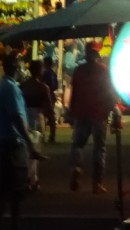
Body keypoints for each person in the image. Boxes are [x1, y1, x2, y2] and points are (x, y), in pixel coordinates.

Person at [0, 51, 43, 230]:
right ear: (16, 67)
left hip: (4, 142)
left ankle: (8, 228)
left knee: (4, 188)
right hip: (12, 144)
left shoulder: (3, 86)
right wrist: (30, 143)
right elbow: (17, 117)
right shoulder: (11, 88)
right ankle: (14, 227)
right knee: (17, 188)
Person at [68, 42, 117, 194]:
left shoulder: (78, 71)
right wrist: (112, 110)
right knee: (99, 149)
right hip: (99, 114)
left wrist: (71, 111)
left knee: (77, 145)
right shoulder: (104, 71)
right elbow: (110, 94)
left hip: (81, 113)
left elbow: (74, 93)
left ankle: (77, 167)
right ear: (97, 54)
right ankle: (97, 183)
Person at [20, 60, 55, 190]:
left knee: (27, 149)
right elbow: (49, 108)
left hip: (25, 117)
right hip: (38, 117)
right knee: (36, 150)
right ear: (40, 70)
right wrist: (52, 126)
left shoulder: (23, 86)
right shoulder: (43, 87)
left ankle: (32, 179)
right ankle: (31, 179)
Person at [40, 56, 58, 142]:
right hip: (51, 96)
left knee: (43, 116)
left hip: (45, 96)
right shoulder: (53, 73)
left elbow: (41, 84)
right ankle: (52, 136)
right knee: (51, 117)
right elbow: (56, 86)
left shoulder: (44, 73)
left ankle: (42, 136)